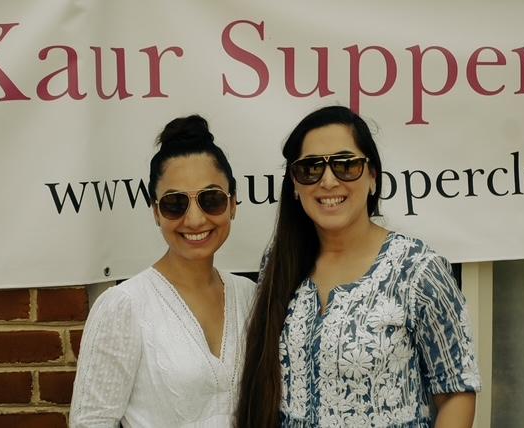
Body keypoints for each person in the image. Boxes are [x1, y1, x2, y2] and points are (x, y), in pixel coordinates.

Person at [236, 106, 481, 427]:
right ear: (295, 185)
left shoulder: (417, 269)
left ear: (372, 177)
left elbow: (456, 391)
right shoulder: (279, 263)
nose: (327, 181)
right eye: (310, 168)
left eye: (346, 165)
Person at [70, 115, 255, 427]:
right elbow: (91, 421)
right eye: (175, 203)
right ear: (156, 211)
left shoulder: (250, 297)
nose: (195, 219)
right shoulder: (124, 306)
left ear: (233, 203)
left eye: (211, 199)